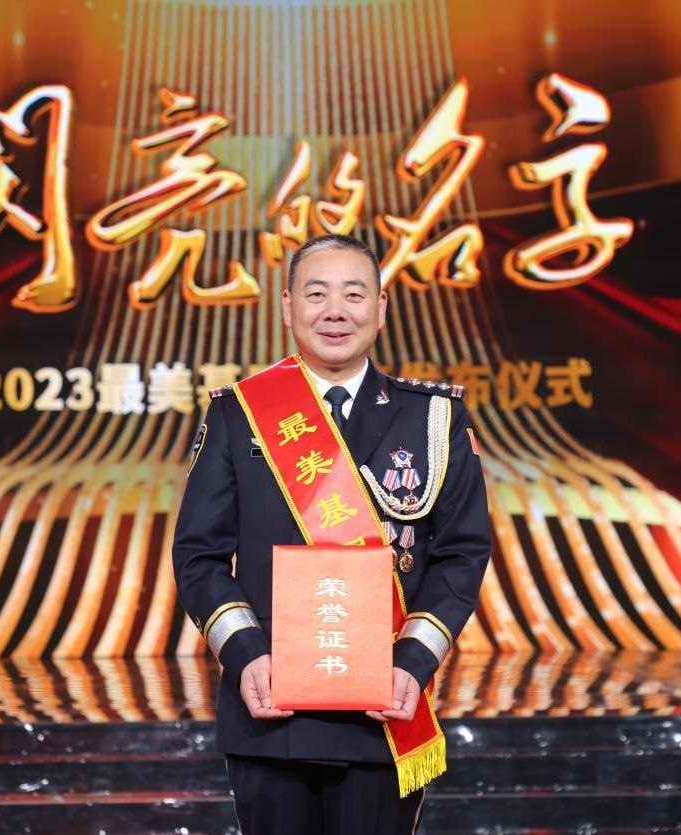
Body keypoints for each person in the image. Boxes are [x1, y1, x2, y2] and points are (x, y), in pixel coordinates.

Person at [172, 234, 491, 835]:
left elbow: (461, 554)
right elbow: (199, 556)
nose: (335, 311)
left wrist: (414, 660)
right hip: (271, 705)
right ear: (288, 306)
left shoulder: (433, 417)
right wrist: (245, 653)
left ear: (381, 307)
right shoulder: (239, 413)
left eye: (354, 294)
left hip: (385, 703)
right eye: (317, 294)